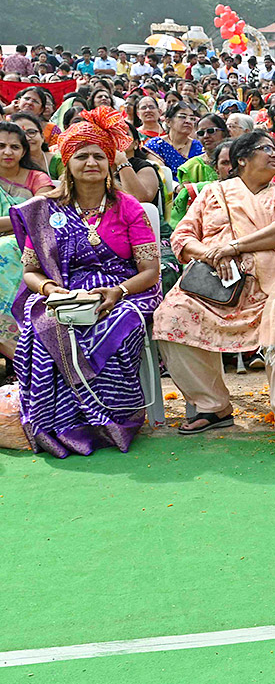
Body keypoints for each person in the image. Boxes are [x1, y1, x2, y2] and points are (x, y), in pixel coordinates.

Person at [9, 108, 162, 456]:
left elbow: (150, 270)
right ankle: (58, 425)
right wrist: (51, 291)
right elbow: (31, 272)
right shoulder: (45, 210)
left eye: (99, 155)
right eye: (82, 155)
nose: (91, 162)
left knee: (114, 325)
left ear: (110, 163)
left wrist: (118, 292)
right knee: (45, 325)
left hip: (123, 290)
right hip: (62, 290)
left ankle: (111, 424)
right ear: (67, 163)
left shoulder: (129, 208)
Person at [154, 131, 275, 460]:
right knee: (170, 317)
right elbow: (183, 238)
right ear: (242, 159)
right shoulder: (213, 192)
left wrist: (234, 247)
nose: (274, 155)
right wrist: (213, 254)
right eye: (265, 149)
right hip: (218, 286)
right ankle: (214, 406)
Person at [0, 123, 56, 360]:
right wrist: (17, 218)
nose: (7, 152)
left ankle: (19, 353)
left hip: (31, 245)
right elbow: (24, 215)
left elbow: (38, 215)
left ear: (24, 151)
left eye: (14, 146)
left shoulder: (37, 178)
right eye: (1, 146)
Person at [144, 102, 202, 180]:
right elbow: (161, 173)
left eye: (192, 119)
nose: (188, 121)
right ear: (168, 121)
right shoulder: (155, 145)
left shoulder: (198, 146)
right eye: (182, 117)